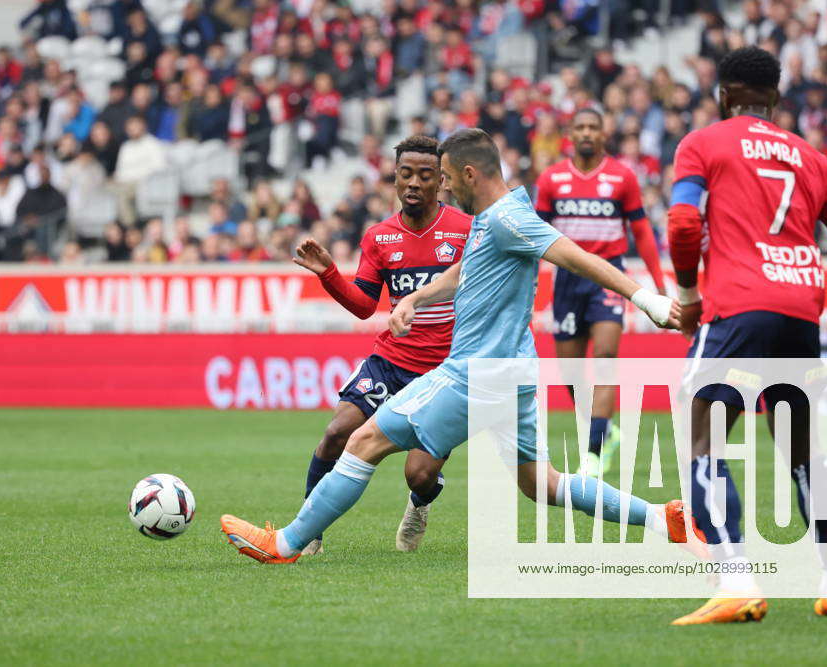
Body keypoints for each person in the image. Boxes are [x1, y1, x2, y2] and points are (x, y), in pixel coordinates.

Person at [220, 128, 697, 567]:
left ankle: (285, 544)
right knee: (542, 484)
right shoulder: (492, 218)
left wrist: (645, 298)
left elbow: (575, 255)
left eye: (445, 178)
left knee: (363, 440)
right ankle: (663, 518)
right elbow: (465, 270)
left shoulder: (509, 220)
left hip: (476, 373)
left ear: (470, 174)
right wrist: (416, 298)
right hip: (514, 374)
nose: (442, 189)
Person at [667, 47, 827, 625]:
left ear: (724, 95)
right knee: (804, 451)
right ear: (776, 98)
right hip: (801, 312)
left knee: (702, 438)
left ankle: (736, 580)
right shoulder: (812, 158)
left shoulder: (705, 143)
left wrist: (686, 295)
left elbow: (683, 221)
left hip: (738, 310)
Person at [290, 135, 472, 555]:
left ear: (441, 181)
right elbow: (363, 306)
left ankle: (420, 503)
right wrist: (329, 274)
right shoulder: (379, 237)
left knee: (419, 475)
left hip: (444, 371)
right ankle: (308, 529)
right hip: (390, 362)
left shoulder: (464, 230)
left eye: (424, 175)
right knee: (336, 433)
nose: (412, 183)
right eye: (404, 173)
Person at [535, 108, 667, 476]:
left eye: (594, 126)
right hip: (567, 281)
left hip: (609, 279)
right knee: (571, 373)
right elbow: (534, 235)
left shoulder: (622, 177)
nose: (588, 132)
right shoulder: (551, 180)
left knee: (606, 357)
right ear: (570, 134)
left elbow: (641, 231)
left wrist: (657, 285)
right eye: (581, 127)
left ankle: (592, 451)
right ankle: (605, 432)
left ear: (603, 133)